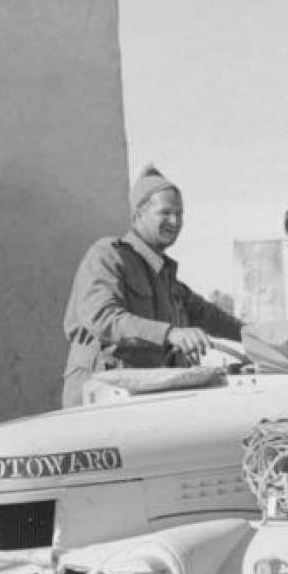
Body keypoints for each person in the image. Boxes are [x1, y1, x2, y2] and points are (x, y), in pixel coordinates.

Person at [60, 164, 243, 406]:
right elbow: (102, 318)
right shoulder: (108, 255)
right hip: (99, 401)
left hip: (139, 403)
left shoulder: (167, 277)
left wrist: (260, 339)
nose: (175, 221)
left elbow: (215, 318)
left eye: (180, 213)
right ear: (138, 215)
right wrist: (171, 334)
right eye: (165, 213)